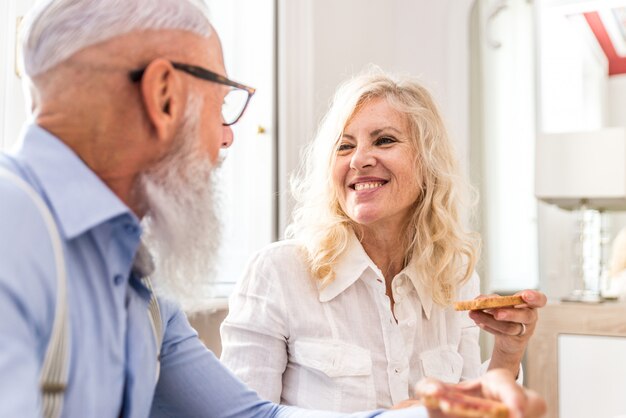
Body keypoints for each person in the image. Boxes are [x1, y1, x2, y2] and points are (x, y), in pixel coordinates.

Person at [0, 0, 545, 417]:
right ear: (164, 95)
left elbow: (249, 415)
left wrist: (442, 409)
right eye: (221, 103)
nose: (227, 137)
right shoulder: (13, 230)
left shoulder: (142, 291)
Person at [220, 69, 548, 411]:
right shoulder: (278, 273)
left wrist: (507, 357)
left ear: (428, 162)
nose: (359, 159)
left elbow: (469, 412)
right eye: (344, 146)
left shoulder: (455, 278)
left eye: (384, 140)